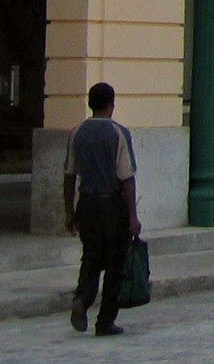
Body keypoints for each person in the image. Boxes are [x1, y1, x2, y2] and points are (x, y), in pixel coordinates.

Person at [62, 81, 139, 337]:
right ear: (111, 104)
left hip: (87, 202)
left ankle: (82, 299)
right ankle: (105, 321)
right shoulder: (118, 133)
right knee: (116, 263)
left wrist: (69, 211)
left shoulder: (77, 133)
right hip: (112, 204)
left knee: (91, 256)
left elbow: (69, 175)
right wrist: (132, 215)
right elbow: (127, 177)